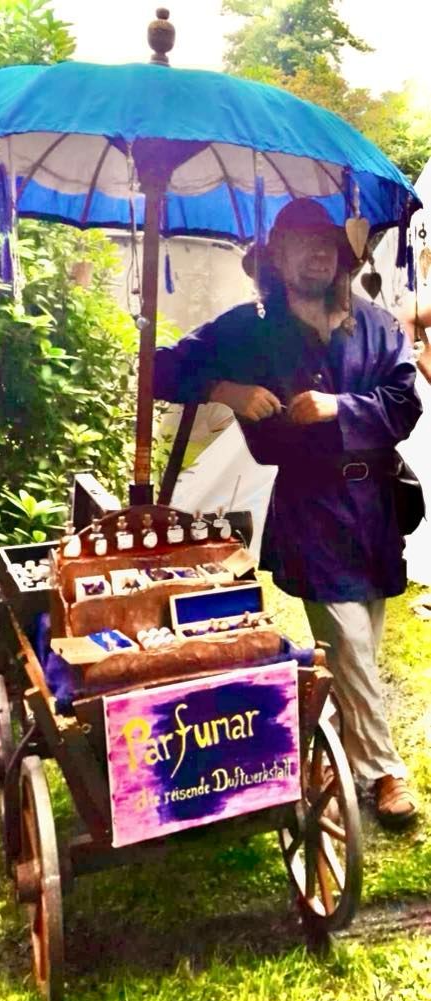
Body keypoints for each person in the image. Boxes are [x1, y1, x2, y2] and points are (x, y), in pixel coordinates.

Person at [153, 197, 422, 828]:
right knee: (349, 643)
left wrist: (337, 408)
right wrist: (225, 389)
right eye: (302, 241)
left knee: (358, 645)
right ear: (275, 256)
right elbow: (158, 367)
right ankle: (384, 771)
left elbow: (404, 404)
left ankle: (330, 740)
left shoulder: (376, 325)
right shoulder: (247, 330)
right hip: (311, 507)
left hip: (376, 506)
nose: (318, 252)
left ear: (343, 257)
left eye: (327, 242)